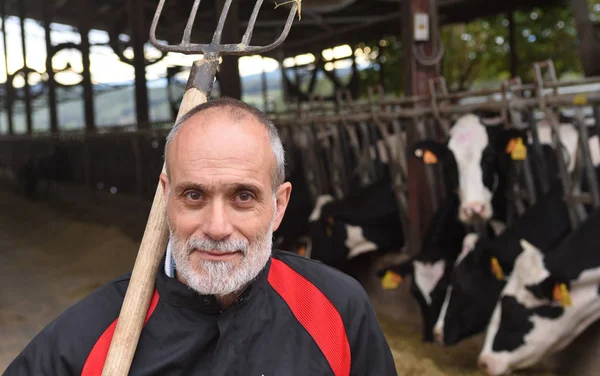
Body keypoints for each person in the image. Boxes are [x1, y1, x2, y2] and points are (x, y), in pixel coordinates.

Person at [4, 97, 397, 376]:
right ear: (165, 199)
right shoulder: (88, 337)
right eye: (194, 195)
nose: (217, 227)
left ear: (279, 206)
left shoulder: (336, 311)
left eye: (243, 196)